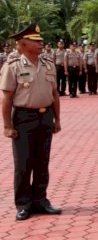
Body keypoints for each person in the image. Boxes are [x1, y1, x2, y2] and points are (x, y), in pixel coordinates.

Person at [0, 23, 62, 221]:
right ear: (22, 44)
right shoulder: (13, 66)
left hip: (45, 117)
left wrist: (57, 119)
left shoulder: (48, 64)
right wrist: (8, 125)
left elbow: (54, 94)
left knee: (42, 161)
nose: (41, 43)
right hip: (24, 118)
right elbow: (7, 98)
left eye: (40, 40)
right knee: (24, 163)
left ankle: (41, 200)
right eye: (35, 41)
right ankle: (23, 204)